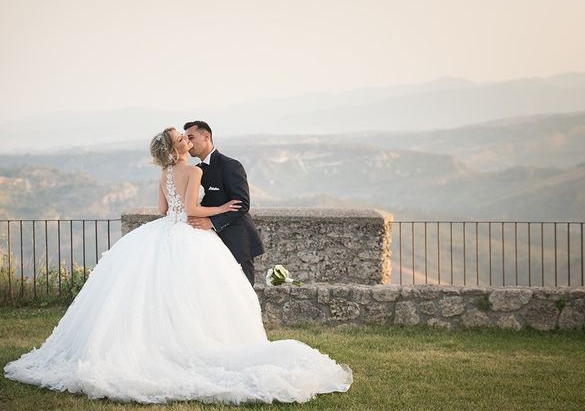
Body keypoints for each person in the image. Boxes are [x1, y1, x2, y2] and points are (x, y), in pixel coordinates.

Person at [3, 127, 352, 404]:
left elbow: (163, 212)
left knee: (160, 296)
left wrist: (188, 212)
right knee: (194, 296)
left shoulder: (166, 173)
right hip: (187, 234)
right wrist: (218, 210)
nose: (186, 138)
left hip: (159, 233)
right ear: (177, 149)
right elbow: (189, 211)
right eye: (180, 137)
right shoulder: (194, 171)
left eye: (187, 135)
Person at [184, 120, 263, 285]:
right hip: (209, 247)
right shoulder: (194, 171)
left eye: (191, 137)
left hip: (237, 242)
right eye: (185, 139)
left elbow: (242, 204)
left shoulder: (230, 165)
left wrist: (211, 222)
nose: (188, 143)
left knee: (243, 294)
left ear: (206, 136)